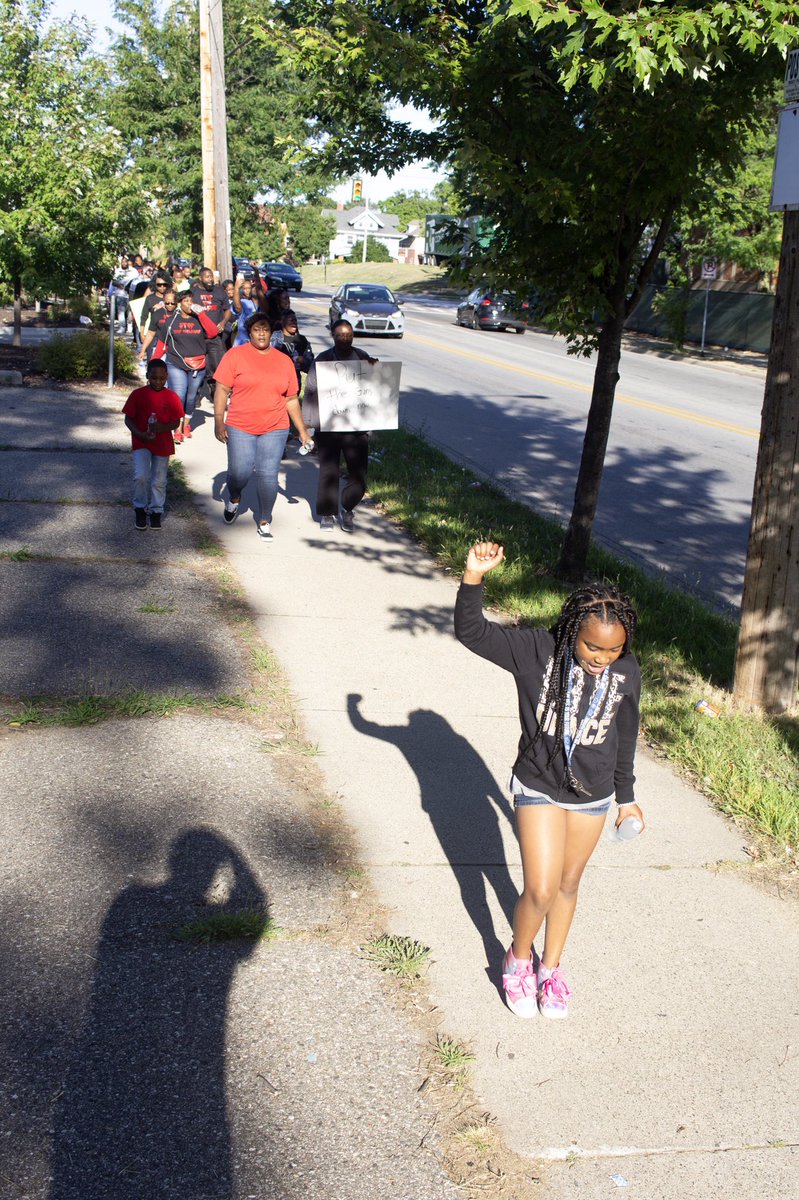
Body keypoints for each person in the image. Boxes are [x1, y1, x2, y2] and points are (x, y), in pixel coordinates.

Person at [454, 542, 644, 1020]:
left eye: (614, 648)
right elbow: (472, 633)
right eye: (593, 647)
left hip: (594, 796)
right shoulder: (536, 651)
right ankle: (518, 960)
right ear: (570, 632)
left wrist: (627, 799)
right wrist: (473, 577)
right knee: (539, 888)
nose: (603, 658)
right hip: (537, 784)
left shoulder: (626, 673)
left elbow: (624, 737)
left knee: (567, 884)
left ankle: (550, 969)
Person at [213, 312, 313, 540]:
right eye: (257, 329)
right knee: (240, 472)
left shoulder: (283, 361)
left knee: (268, 475)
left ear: (271, 333)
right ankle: (235, 497)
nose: (261, 333)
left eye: (265, 329)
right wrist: (219, 420)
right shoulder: (235, 356)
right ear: (250, 332)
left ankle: (265, 518)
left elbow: (290, 399)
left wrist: (303, 433)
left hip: (275, 426)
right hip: (241, 425)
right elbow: (222, 389)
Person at [301, 319, 376, 533]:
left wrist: (377, 370)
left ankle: (348, 506)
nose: (345, 338)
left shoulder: (363, 358)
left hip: (356, 428)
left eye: (348, 335)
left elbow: (374, 390)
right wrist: (308, 425)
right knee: (329, 472)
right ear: (333, 336)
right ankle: (327, 513)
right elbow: (311, 392)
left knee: (359, 476)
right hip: (329, 427)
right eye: (341, 335)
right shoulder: (323, 360)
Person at [140, 289, 219, 443]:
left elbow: (213, 332)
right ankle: (177, 428)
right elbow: (163, 343)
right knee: (179, 394)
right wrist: (153, 363)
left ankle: (186, 425)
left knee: (191, 398)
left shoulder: (199, 319)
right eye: (186, 301)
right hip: (175, 362)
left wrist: (202, 314)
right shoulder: (171, 321)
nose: (189, 304)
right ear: (180, 303)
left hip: (197, 365)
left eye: (191, 301)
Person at [122, 358, 184, 529]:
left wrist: (162, 427)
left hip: (162, 444)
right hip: (142, 441)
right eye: (154, 378)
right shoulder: (138, 394)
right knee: (140, 476)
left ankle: (156, 510)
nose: (158, 381)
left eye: (162, 378)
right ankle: (140, 509)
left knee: (159, 480)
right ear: (148, 376)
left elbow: (176, 422)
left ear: (167, 377)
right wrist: (140, 433)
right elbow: (128, 418)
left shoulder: (171, 397)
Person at [191, 266, 232, 384]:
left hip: (215, 336)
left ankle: (215, 390)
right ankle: (197, 392)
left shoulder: (219, 291)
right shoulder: (193, 292)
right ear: (200, 278)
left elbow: (227, 310)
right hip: (198, 335)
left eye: (211, 277)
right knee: (197, 366)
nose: (210, 280)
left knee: (218, 367)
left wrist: (223, 322)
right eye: (207, 277)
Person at [271, 310, 313, 388]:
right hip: (278, 378)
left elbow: (310, 364)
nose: (294, 323)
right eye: (291, 320)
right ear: (283, 321)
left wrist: (303, 360)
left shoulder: (302, 339)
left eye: (295, 320)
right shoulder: (275, 337)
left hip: (295, 380)